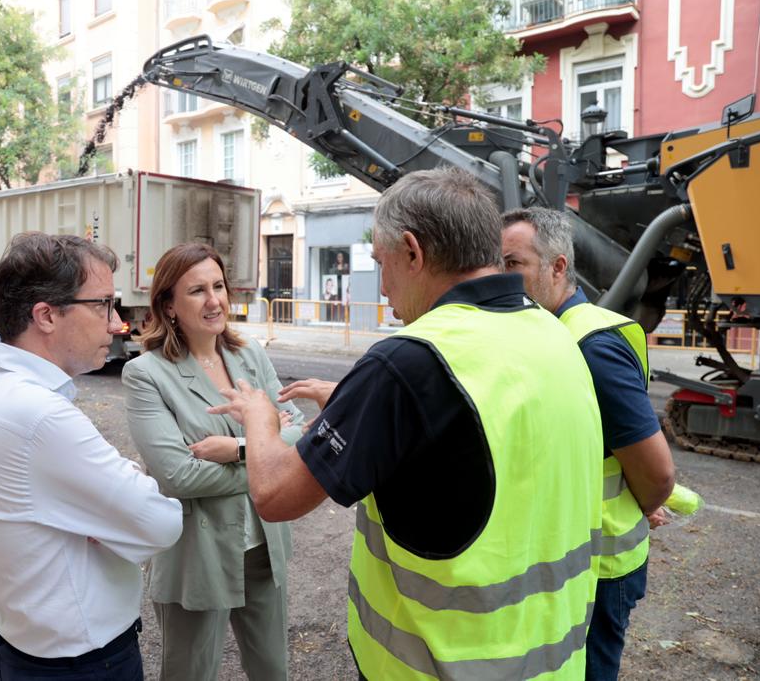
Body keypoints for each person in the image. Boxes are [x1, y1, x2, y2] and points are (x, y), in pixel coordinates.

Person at [209, 167, 604, 679]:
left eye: (381, 261)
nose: (383, 285)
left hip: (438, 665)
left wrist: (259, 418)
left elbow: (276, 495)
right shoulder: (554, 335)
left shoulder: (407, 362)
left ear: (413, 252)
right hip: (554, 660)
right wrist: (360, 407)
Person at [0, 233, 182, 679]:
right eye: (103, 305)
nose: (116, 324)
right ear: (46, 315)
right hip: (80, 662)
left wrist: (100, 517)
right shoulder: (40, 416)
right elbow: (161, 523)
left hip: (23, 644)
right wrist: (114, 508)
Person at [501, 207, 676, 680]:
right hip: (569, 560)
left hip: (601, 568)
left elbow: (657, 472)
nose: (500, 278)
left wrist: (645, 501)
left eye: (512, 265)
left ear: (558, 268)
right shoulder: (547, 335)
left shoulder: (591, 347)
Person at [122, 243, 304, 681]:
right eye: (197, 291)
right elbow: (178, 475)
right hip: (196, 554)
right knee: (190, 672)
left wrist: (238, 450)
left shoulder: (249, 355)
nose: (214, 300)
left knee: (272, 670)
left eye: (218, 286)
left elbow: (300, 430)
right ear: (168, 305)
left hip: (263, 543)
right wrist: (266, 448)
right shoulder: (147, 374)